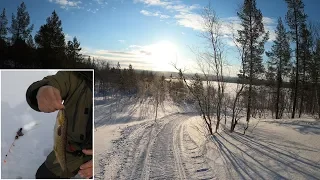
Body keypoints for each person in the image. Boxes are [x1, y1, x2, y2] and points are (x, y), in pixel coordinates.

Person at [25, 71, 93, 179]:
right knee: (42, 176)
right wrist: (41, 90)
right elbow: (55, 82)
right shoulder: (75, 75)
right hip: (69, 148)